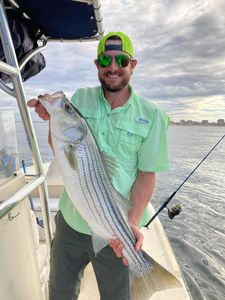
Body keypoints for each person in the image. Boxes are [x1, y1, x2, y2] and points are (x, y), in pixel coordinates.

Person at [28, 31, 169, 300]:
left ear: (133, 65)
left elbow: (147, 175)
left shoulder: (152, 116)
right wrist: (54, 116)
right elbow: (59, 147)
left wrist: (132, 223)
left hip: (113, 229)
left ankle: (148, 276)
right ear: (97, 65)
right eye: (105, 61)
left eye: (121, 61)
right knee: (59, 292)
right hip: (70, 223)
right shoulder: (80, 98)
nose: (113, 67)